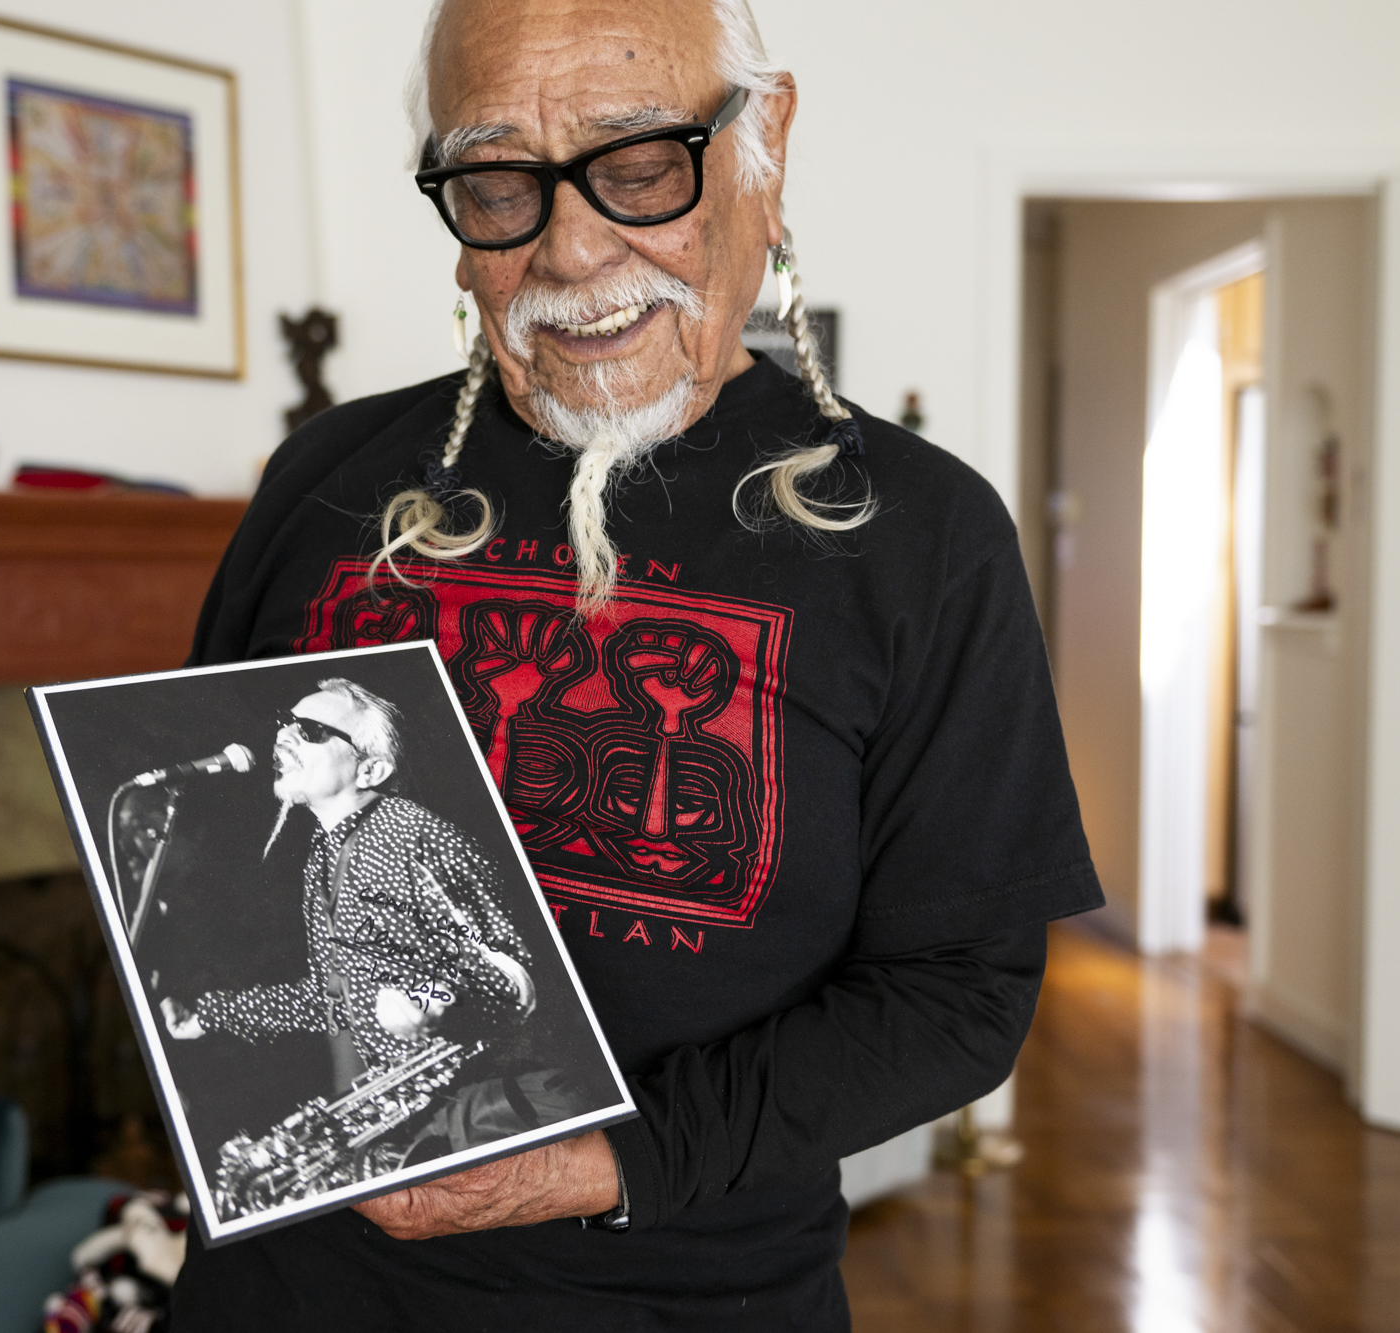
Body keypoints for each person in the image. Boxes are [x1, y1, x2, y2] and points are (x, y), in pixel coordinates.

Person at [172, 0, 1103, 1326]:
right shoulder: (323, 479)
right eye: (499, 183)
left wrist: (611, 1160)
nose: (571, 248)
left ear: (764, 142)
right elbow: (211, 858)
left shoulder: (921, 536)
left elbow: (960, 994)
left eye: (641, 163)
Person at [161, 679, 575, 1183]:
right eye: (284, 724)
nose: (282, 737)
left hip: (495, 1102)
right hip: (426, 1112)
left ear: (371, 770)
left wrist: (426, 998)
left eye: (310, 730)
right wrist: (209, 1015)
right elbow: (332, 999)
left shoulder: (416, 834)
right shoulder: (322, 857)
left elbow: (511, 976)